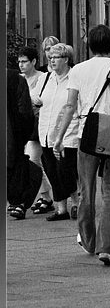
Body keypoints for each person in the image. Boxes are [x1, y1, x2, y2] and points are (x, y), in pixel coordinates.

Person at [52, 24, 110, 265]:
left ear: (88, 45)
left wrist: (59, 138)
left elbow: (70, 105)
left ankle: (89, 241)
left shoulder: (78, 70)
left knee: (86, 190)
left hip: (87, 133)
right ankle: (106, 246)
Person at [38, 43, 79, 222]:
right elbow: (37, 99)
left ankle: (78, 202)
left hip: (68, 134)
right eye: (50, 57)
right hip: (46, 133)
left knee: (65, 171)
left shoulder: (75, 79)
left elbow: (76, 106)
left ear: (66, 59)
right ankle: (61, 209)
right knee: (52, 172)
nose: (52, 60)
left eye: (56, 57)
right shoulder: (46, 79)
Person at [17, 46, 54, 214]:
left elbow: (47, 100)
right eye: (19, 62)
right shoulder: (18, 79)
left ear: (33, 62)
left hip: (41, 125)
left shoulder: (44, 78)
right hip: (23, 127)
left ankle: (26, 200)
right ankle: (46, 197)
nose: (21, 65)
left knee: (34, 161)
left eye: (24, 61)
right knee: (35, 162)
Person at [7, 69, 37, 220]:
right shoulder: (15, 79)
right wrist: (23, 136)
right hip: (12, 135)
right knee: (16, 166)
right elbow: (25, 112)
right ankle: (18, 201)